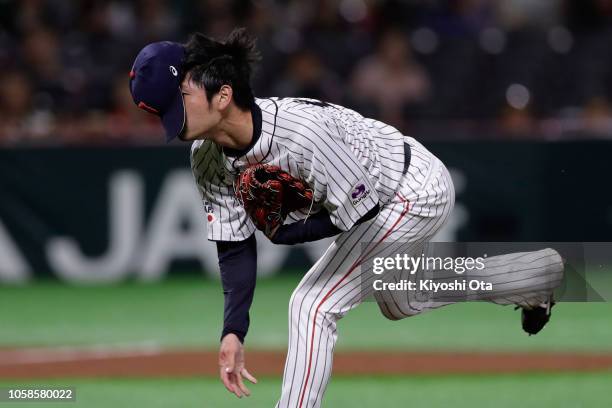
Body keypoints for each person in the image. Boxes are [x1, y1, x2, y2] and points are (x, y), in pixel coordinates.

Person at [128, 28, 564, 408]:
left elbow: (360, 211)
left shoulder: (301, 134)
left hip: (408, 188)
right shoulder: (206, 157)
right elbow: (234, 246)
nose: (175, 116)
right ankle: (531, 275)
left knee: (313, 304)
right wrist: (232, 331)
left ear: (222, 94)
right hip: (378, 199)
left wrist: (286, 232)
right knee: (402, 302)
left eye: (180, 99)